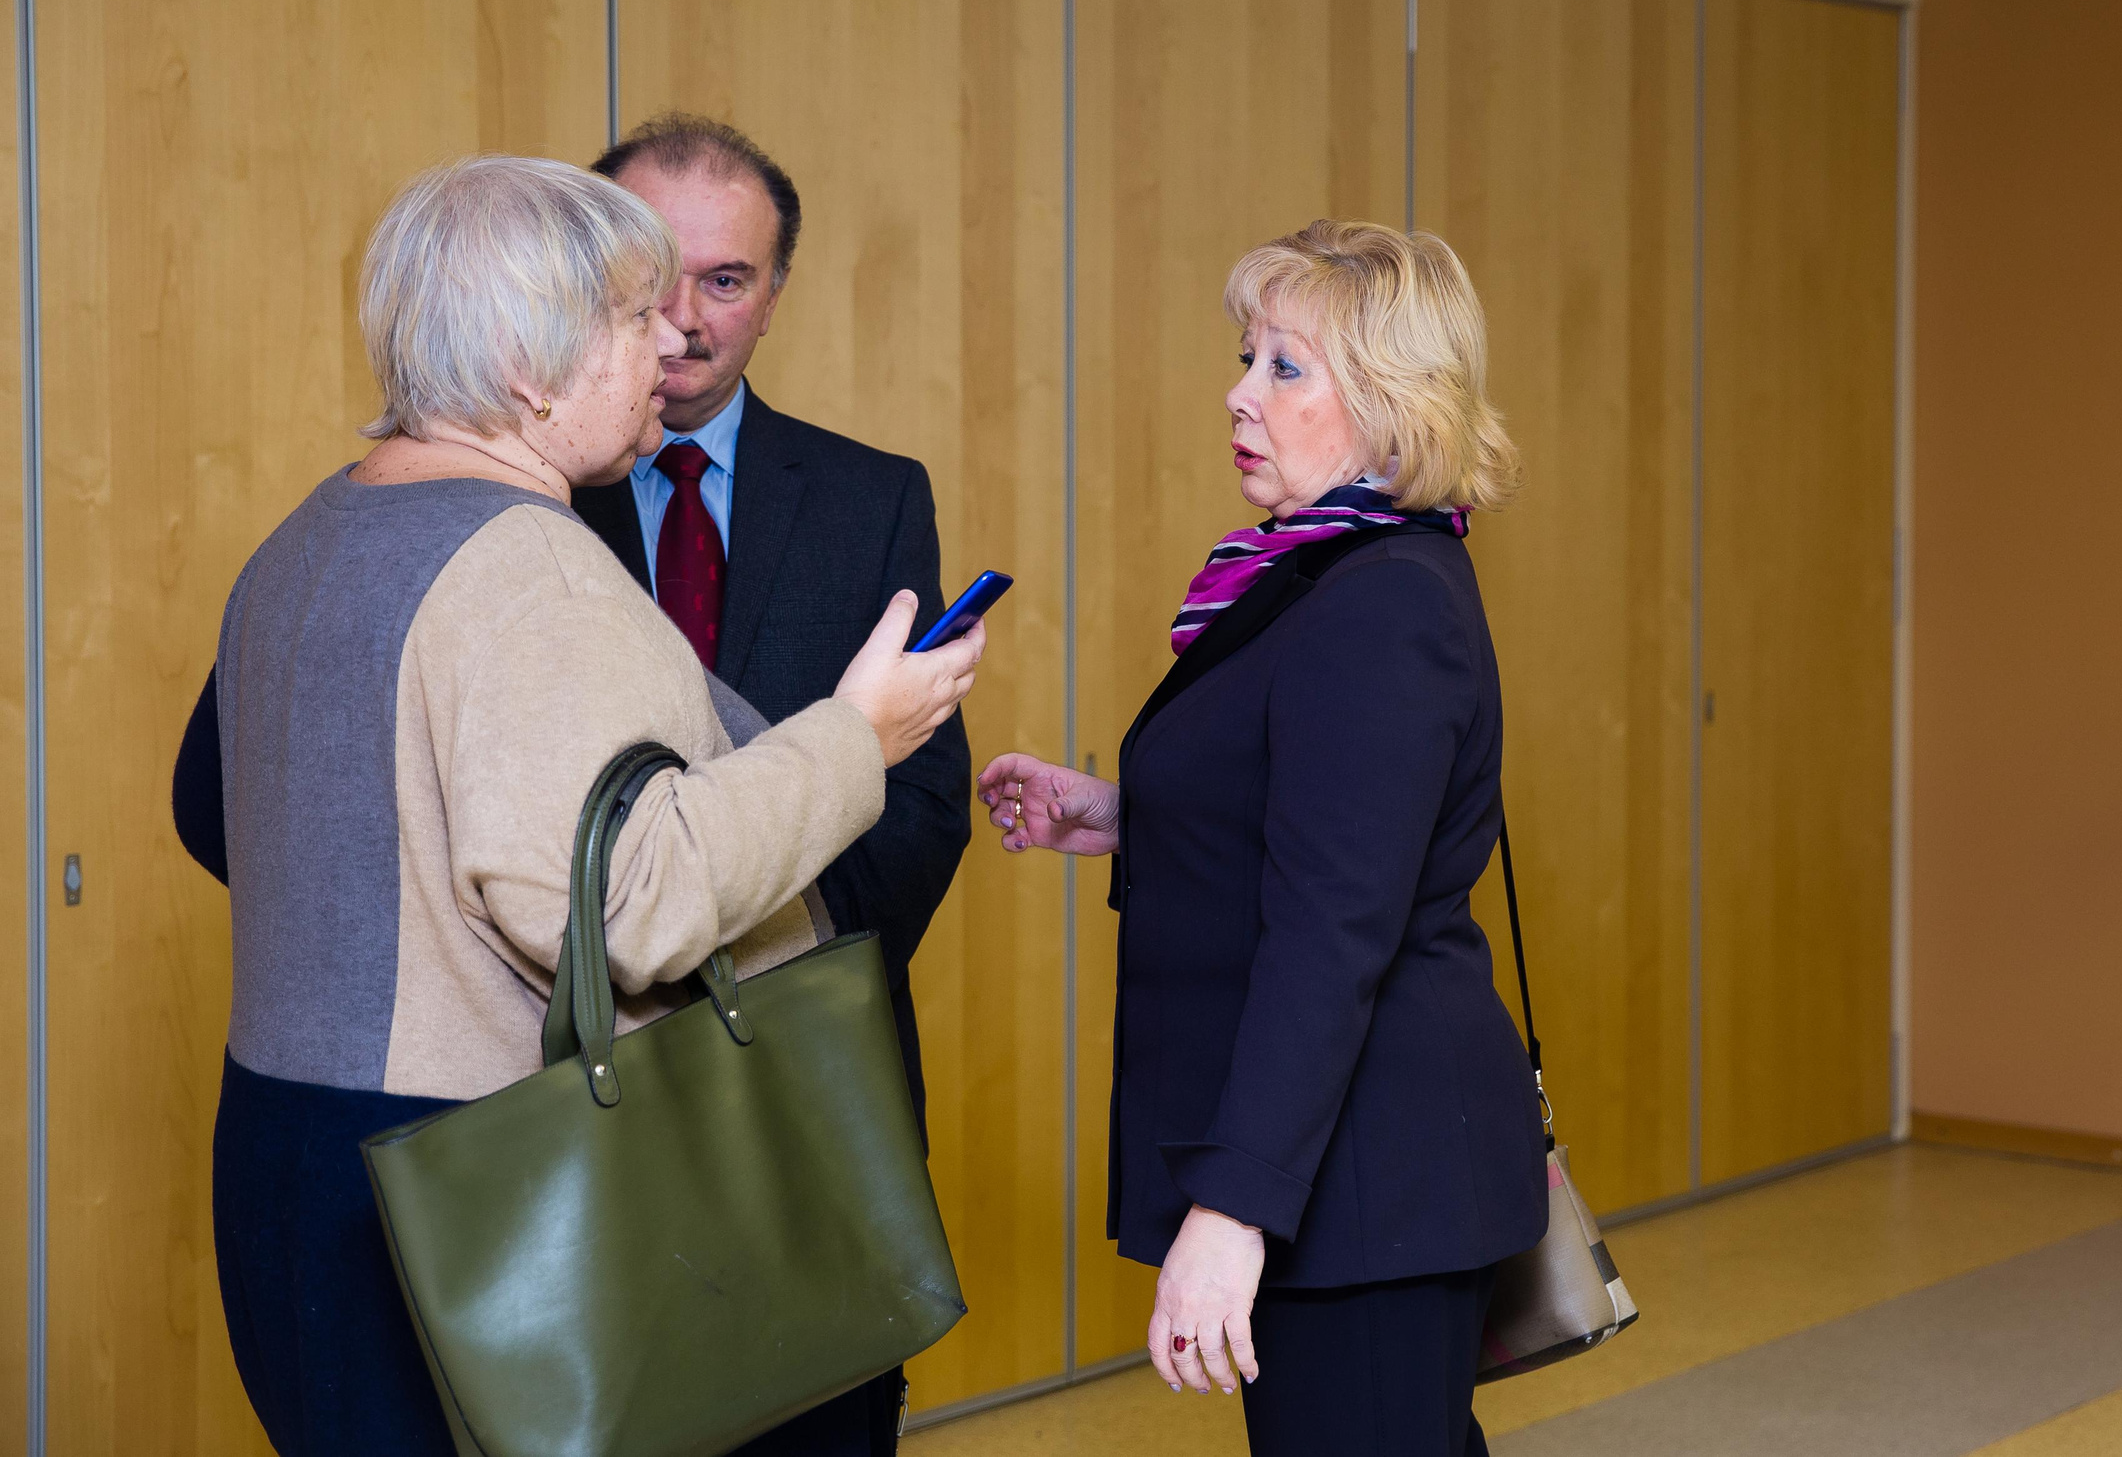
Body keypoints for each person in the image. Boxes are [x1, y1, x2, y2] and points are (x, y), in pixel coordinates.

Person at [178, 155, 981, 1457]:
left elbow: (212, 809)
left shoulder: (306, 539)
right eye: (630, 316)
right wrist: (859, 734)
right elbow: (628, 908)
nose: (671, 339)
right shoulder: (531, 565)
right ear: (527, 369)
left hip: (287, 1158)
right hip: (476, 1181)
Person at [977, 221, 1548, 1457]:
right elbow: (1324, 824)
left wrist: (1232, 1211)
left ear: (1392, 406)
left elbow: (1333, 930)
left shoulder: (1378, 603)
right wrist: (1127, 817)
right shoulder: (1319, 576)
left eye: (1286, 366)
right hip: (1357, 1172)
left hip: (1364, 1183)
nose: (1240, 394)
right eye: (1247, 357)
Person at [570, 115, 971, 1451]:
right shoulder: (521, 497)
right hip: (573, 1078)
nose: (684, 320)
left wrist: (737, 951)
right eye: (651, 276)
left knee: (826, 1414)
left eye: (726, 281)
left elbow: (919, 804)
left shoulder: (871, 498)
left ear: (776, 291)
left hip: (810, 1071)